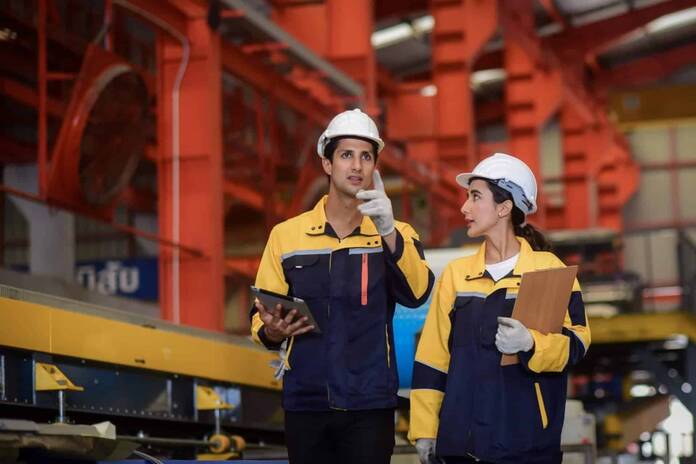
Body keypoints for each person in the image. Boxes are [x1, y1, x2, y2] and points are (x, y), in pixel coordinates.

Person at [251, 108, 435, 464]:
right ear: (327, 163)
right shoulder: (286, 236)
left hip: (370, 406)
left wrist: (387, 231)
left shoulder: (398, 234)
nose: (356, 166)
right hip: (307, 403)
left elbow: (417, 293)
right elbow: (261, 316)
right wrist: (273, 331)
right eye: (346, 155)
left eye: (366, 156)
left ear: (375, 167)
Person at [409, 153, 591, 464]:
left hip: (527, 444)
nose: (464, 208)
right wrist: (424, 429)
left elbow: (578, 343)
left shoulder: (547, 269)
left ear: (504, 207)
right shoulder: (457, 275)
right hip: (462, 445)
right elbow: (432, 358)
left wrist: (531, 343)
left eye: (475, 197)